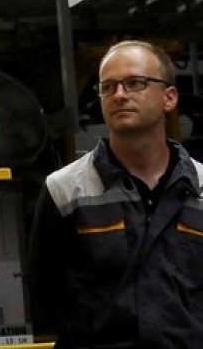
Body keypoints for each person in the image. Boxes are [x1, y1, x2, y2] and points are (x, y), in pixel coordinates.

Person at [29, 40, 203, 348]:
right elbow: (46, 295)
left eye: (135, 83)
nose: (119, 95)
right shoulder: (65, 190)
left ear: (169, 97)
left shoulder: (201, 186)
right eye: (108, 87)